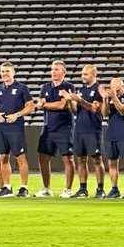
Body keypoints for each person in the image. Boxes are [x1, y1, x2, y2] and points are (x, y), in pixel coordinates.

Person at [0, 62, 33, 197]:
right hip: (1, 127)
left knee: (20, 157)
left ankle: (24, 187)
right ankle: (7, 187)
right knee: (3, 157)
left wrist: (17, 115)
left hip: (15, 128)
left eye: (7, 71)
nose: (5, 74)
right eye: (2, 71)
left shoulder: (22, 88)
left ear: (13, 73)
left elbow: (30, 106)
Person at [65, 64, 107, 199]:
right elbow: (75, 110)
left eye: (86, 74)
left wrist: (80, 100)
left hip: (93, 129)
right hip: (80, 129)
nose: (83, 76)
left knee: (96, 159)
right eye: (82, 74)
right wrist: (69, 102)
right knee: (81, 160)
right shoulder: (81, 89)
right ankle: (83, 188)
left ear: (94, 74)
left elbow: (95, 108)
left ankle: (100, 189)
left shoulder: (98, 90)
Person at [36, 60, 76, 197]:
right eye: (52, 69)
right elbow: (39, 104)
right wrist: (43, 104)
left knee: (68, 158)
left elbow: (62, 105)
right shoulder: (45, 87)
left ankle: (68, 189)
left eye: (57, 69)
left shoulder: (68, 86)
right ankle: (46, 188)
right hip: (48, 127)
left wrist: (45, 104)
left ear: (64, 72)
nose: (54, 72)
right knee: (43, 156)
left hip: (64, 127)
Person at [101, 76, 124, 199]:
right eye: (112, 87)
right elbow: (105, 114)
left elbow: (123, 110)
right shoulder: (110, 97)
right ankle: (114, 189)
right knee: (112, 162)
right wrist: (105, 100)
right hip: (112, 133)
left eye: (116, 86)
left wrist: (115, 98)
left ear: (122, 86)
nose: (114, 89)